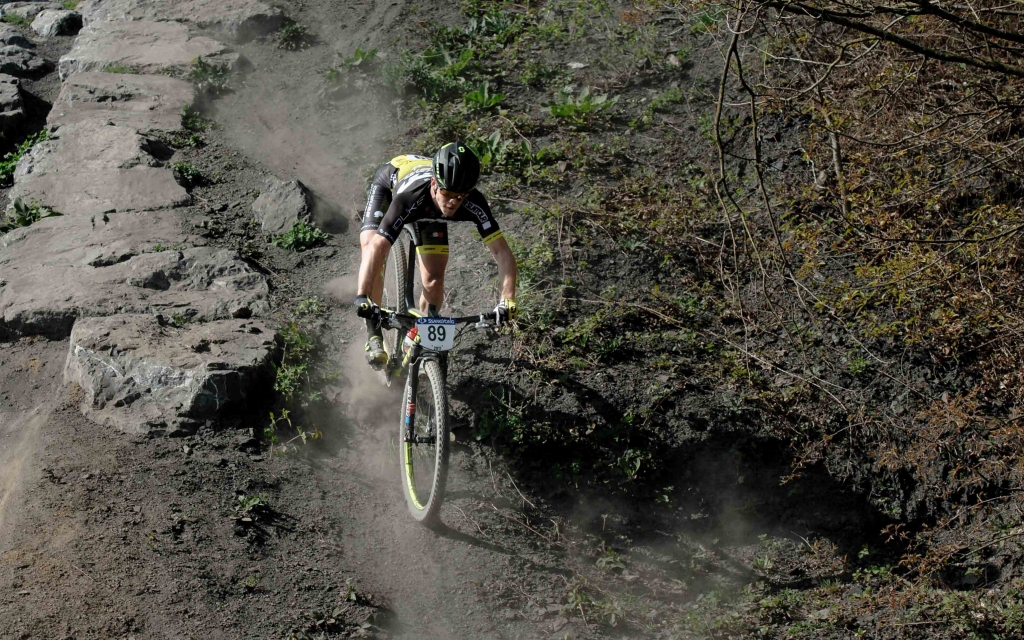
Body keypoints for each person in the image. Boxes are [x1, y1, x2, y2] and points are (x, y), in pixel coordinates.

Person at [354, 142, 518, 369]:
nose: (452, 202)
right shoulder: (409, 198)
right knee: (372, 249)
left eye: (460, 197)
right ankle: (373, 334)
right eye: (448, 194)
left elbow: (502, 251)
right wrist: (362, 296)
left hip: (429, 213)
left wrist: (507, 299)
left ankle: (419, 339)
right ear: (434, 183)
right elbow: (377, 247)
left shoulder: (472, 201)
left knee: (433, 279)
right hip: (392, 184)